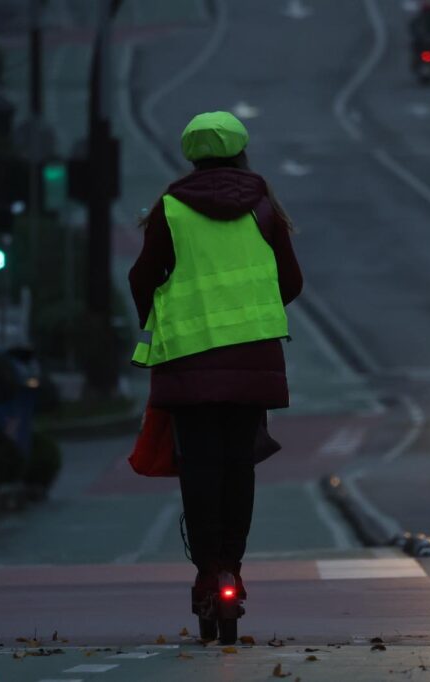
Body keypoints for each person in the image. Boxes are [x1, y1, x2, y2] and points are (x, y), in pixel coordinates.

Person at [129, 111, 303, 627]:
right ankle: (233, 568)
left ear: (191, 155)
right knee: (238, 467)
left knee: (200, 472)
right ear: (241, 152)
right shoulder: (265, 208)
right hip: (252, 365)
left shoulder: (171, 208)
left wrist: (165, 316)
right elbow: (290, 281)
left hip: (188, 367)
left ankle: (208, 575)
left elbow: (142, 277)